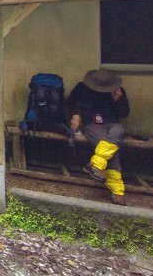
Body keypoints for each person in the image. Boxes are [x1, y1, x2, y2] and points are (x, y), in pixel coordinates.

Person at [66, 69, 130, 205]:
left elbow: (124, 113)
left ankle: (95, 165)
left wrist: (117, 99)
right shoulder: (82, 88)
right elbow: (70, 103)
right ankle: (117, 191)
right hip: (92, 125)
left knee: (118, 132)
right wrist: (76, 114)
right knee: (111, 147)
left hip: (113, 124)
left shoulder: (117, 90)